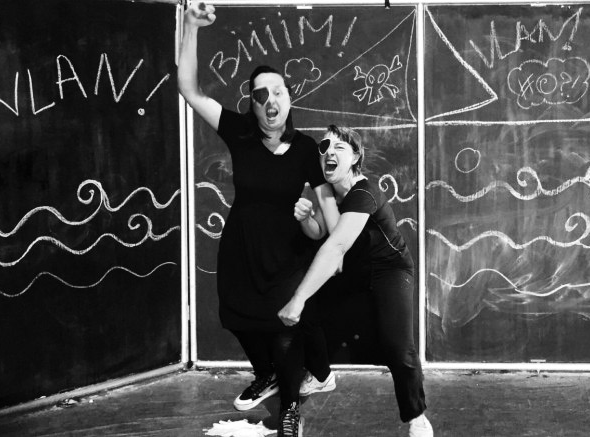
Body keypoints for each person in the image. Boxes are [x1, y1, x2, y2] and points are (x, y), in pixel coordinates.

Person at [178, 3, 338, 436]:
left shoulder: (307, 150)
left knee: (284, 328)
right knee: (237, 318)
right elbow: (189, 90)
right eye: (260, 94)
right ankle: (267, 373)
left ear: (289, 98)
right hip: (241, 248)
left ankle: (290, 409)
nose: (270, 100)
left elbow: (328, 222)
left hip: (286, 254)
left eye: (278, 91)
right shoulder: (240, 132)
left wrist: (316, 225)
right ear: (252, 104)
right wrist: (190, 26)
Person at [278, 125, 434, 437]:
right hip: (355, 271)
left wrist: (297, 299)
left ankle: (417, 416)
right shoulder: (328, 192)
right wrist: (306, 219)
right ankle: (321, 375)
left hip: (390, 270)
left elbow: (336, 246)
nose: (330, 152)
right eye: (325, 146)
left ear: (356, 158)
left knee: (397, 346)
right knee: (309, 314)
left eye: (340, 147)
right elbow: (320, 232)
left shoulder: (364, 192)